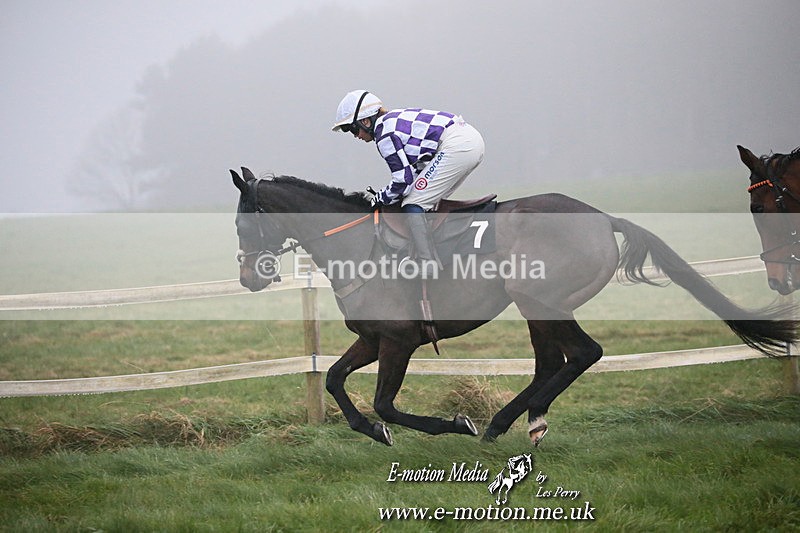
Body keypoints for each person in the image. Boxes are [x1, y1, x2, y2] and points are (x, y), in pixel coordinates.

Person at [332, 90, 485, 278]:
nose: (355, 136)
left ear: (365, 121)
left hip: (458, 145)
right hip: (466, 140)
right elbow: (411, 175)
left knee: (414, 203)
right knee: (425, 200)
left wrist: (379, 198)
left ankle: (427, 263)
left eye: (352, 129)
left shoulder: (384, 134)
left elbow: (402, 181)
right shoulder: (391, 121)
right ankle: (439, 251)